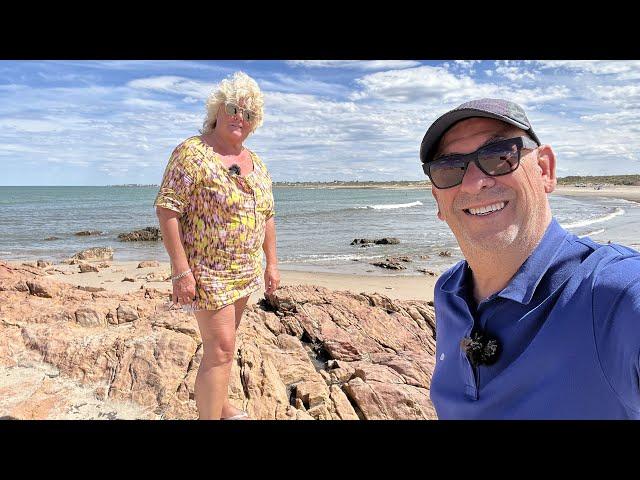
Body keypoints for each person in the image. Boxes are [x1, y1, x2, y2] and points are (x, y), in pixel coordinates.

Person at [419, 98, 640, 419]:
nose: (474, 182)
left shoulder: (615, 295)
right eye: (450, 168)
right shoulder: (449, 292)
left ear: (545, 170)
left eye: (498, 156)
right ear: (438, 201)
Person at [154, 71, 280, 420]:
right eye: (234, 108)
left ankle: (220, 406)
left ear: (256, 123)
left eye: (249, 113)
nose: (241, 117)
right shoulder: (191, 153)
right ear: (218, 110)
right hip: (207, 272)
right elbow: (167, 209)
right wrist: (180, 271)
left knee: (222, 345)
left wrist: (272, 263)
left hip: (245, 270)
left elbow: (267, 215)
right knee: (222, 348)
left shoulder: (257, 163)